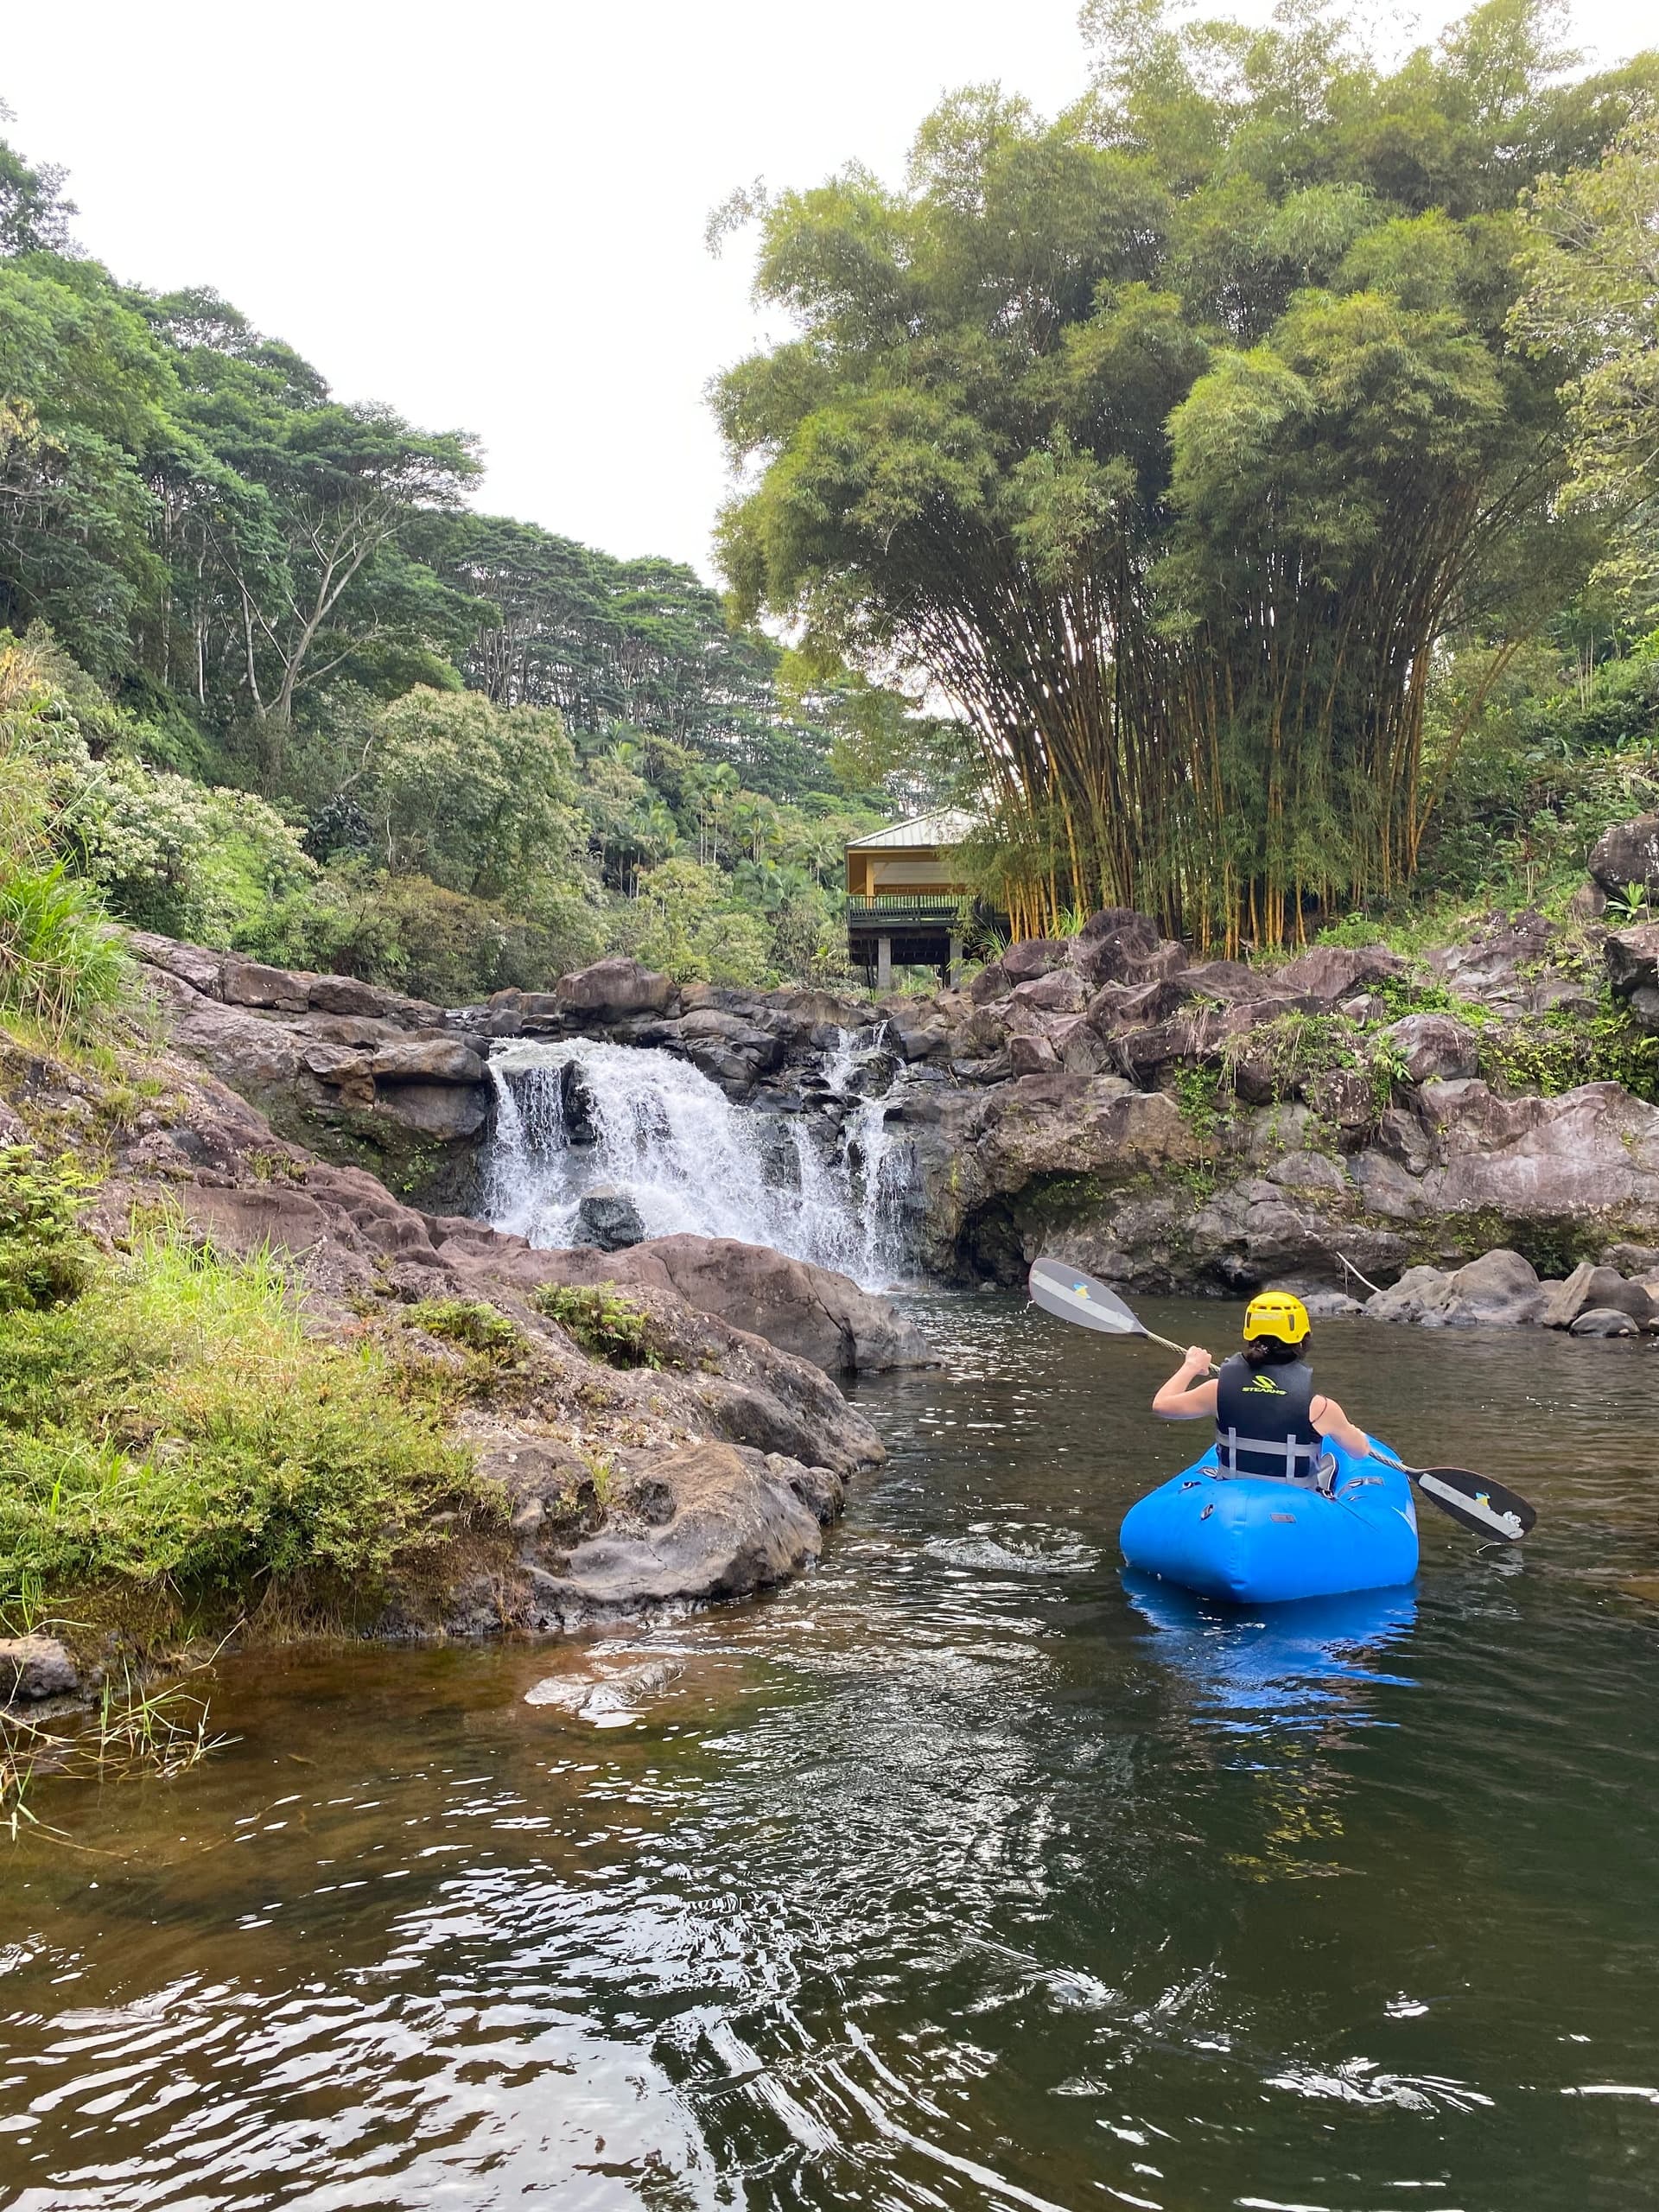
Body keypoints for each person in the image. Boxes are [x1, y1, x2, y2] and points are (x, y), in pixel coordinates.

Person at [1149, 1290, 1371, 1484]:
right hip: (1292, 1507)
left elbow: (1161, 1405)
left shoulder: (1217, 1390)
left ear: (1249, 1335)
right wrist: (1353, 1431)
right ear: (1303, 1341)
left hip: (1230, 1499)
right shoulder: (1321, 1408)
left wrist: (1190, 1366)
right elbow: (1360, 1452)